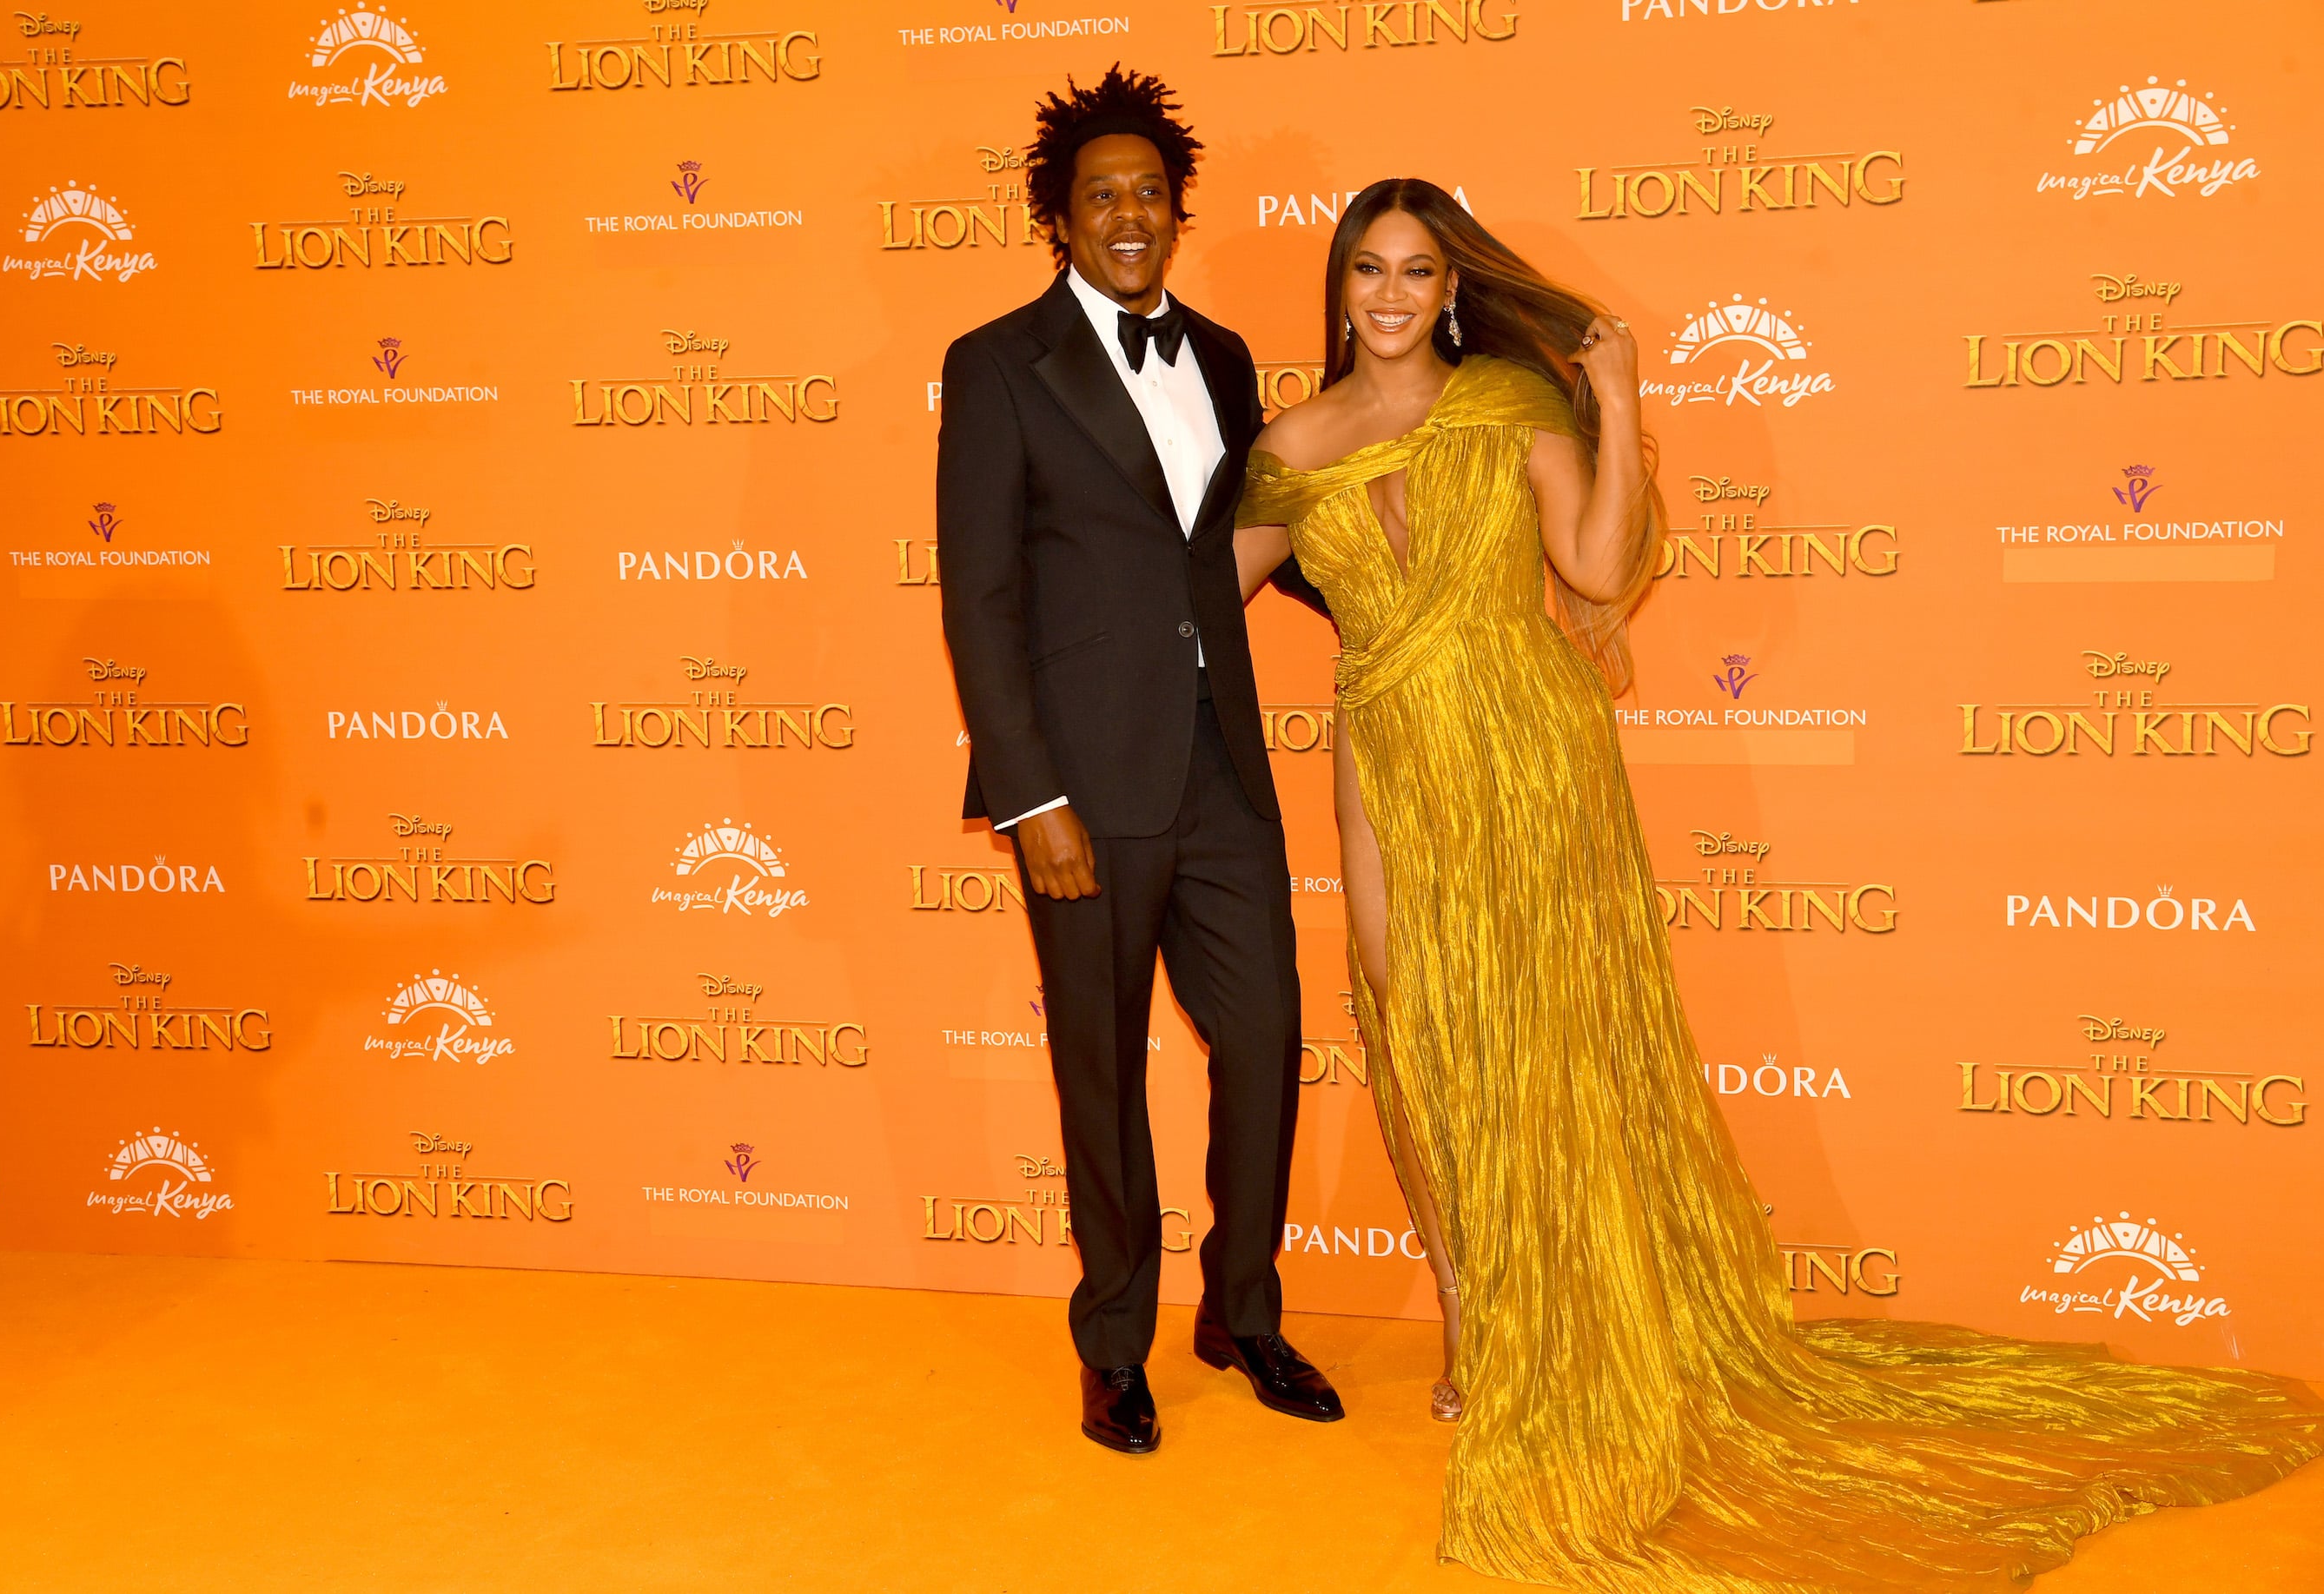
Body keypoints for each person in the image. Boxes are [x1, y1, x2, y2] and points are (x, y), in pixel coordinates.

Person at [1234, 178, 2321, 1588]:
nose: (1391, 295)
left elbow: (1596, 564)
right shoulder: (1289, 444)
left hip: (1534, 756)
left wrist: (1619, 398)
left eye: (1418, 271)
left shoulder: (1507, 403)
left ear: (1452, 291)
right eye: (1369, 270)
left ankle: (1525, 1340)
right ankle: (1475, 1312)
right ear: (1339, 288)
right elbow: (1200, 593)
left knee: (1559, 1040)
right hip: (1384, 754)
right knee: (1418, 1035)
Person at [936, 66, 1344, 1457]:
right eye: (1100, 195)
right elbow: (981, 596)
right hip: (1084, 787)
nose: (1128, 214)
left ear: (1178, 211)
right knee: (1101, 1075)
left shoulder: (1223, 356)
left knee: (1268, 1039)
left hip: (1221, 769)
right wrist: (1030, 794)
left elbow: (1247, 548)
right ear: (1059, 217)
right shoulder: (997, 363)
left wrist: (1407, 589)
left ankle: (1242, 1311)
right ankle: (1115, 1343)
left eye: (1149, 194)